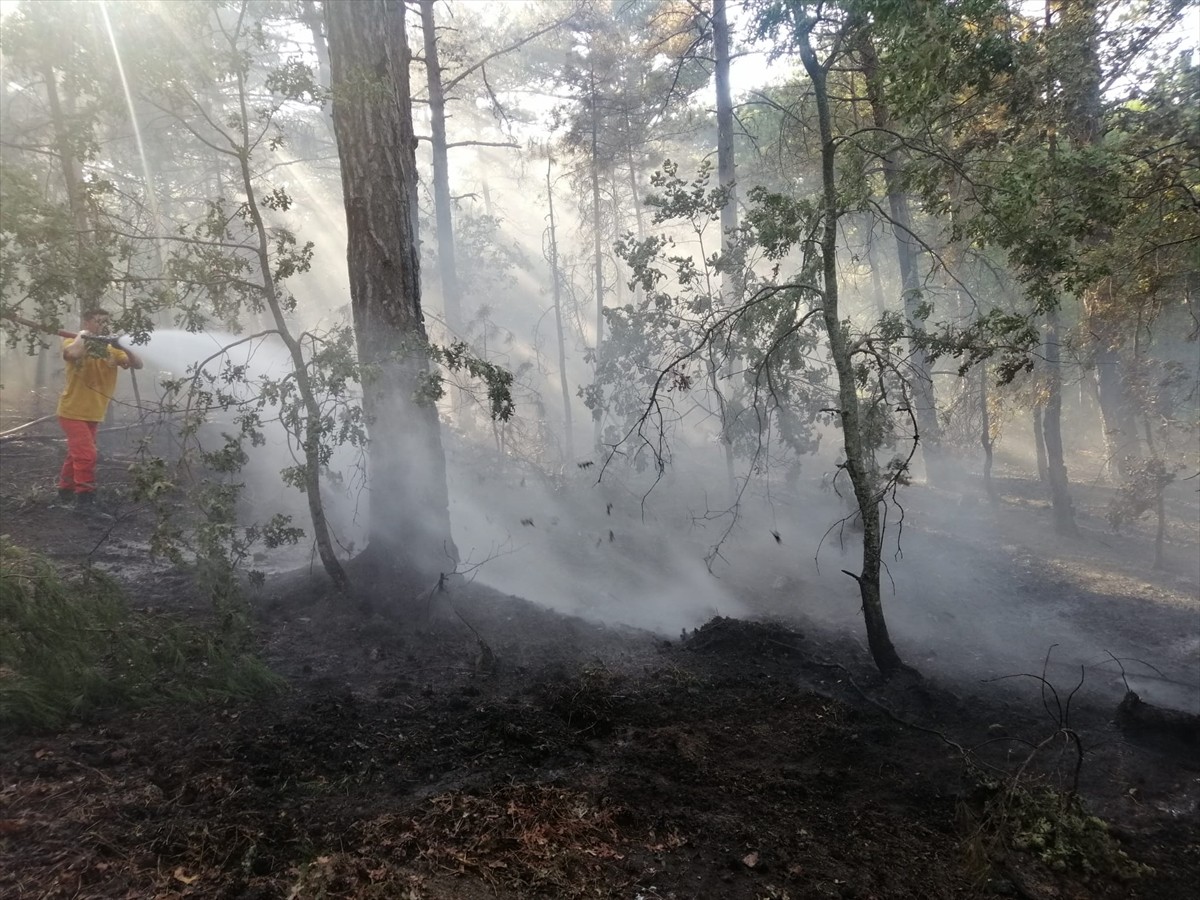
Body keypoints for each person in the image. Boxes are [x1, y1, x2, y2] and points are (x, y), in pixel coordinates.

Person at [56, 307, 143, 511]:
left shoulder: (112, 349)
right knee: (87, 455)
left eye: (105, 322)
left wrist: (124, 346)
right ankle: (85, 500)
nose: (102, 325)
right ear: (86, 323)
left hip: (94, 413)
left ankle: (65, 491)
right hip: (72, 412)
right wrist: (83, 336)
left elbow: (137, 364)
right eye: (97, 321)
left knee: (76, 454)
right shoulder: (73, 342)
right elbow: (72, 353)